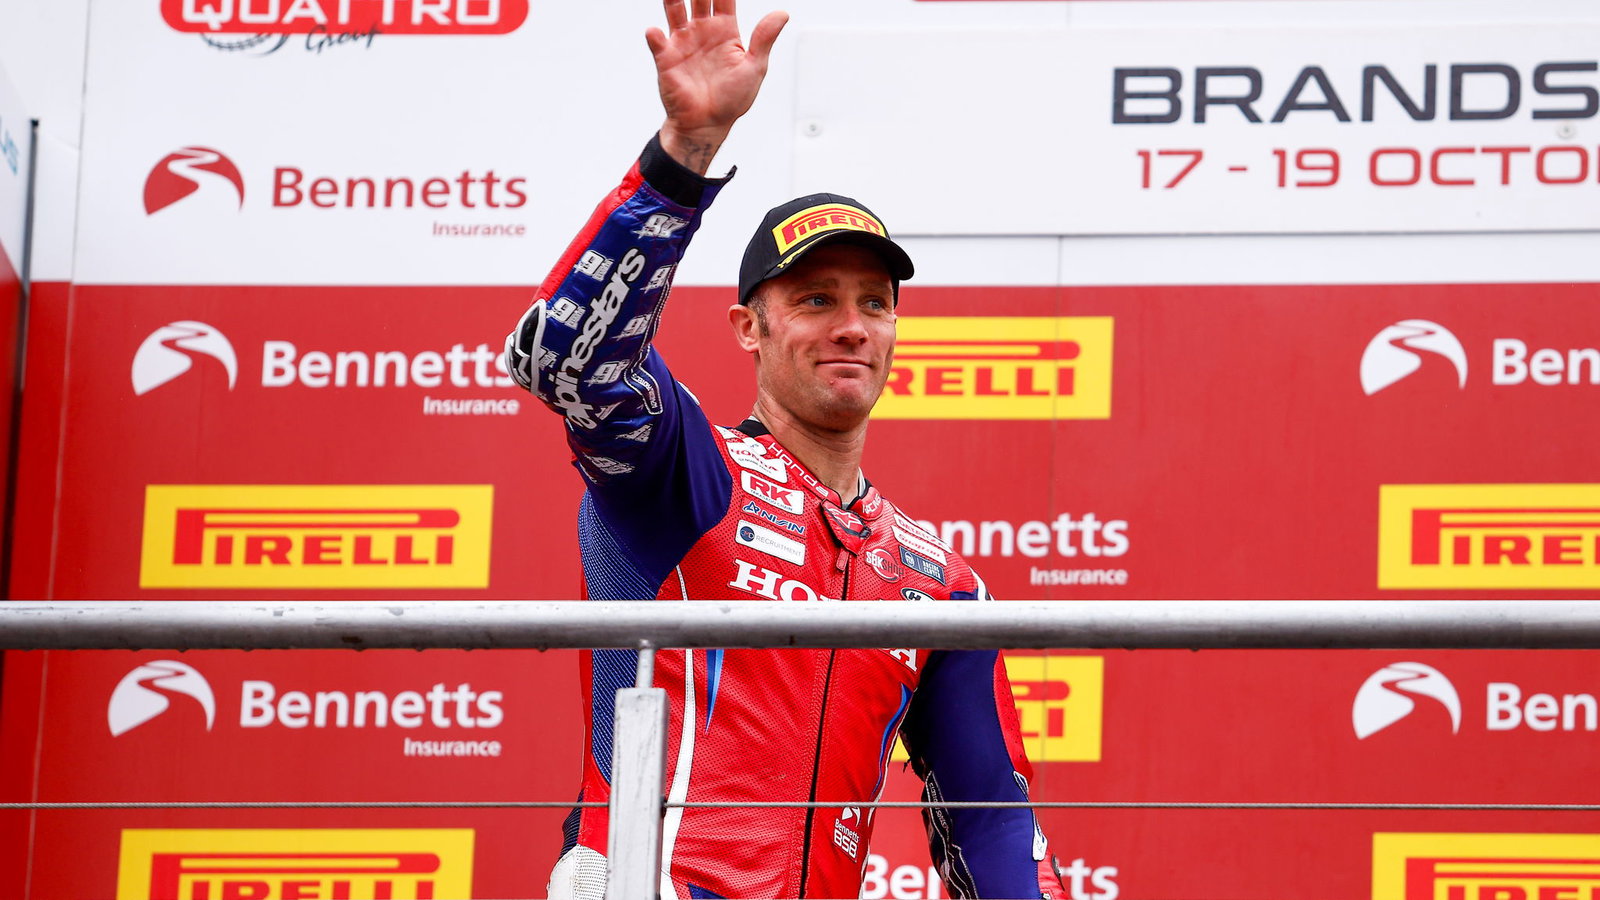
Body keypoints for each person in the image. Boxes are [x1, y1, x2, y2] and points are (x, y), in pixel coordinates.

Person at [504, 1, 1068, 897]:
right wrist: (685, 152)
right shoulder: (689, 473)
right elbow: (564, 360)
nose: (850, 327)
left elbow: (994, 824)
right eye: (813, 301)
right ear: (748, 328)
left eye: (874, 302)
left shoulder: (938, 582)